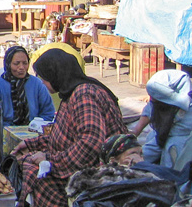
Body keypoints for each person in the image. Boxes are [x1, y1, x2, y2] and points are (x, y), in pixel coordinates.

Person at [12, 48, 128, 207]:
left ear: (55, 74)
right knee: (26, 161)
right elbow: (64, 136)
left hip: (101, 173)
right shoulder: (70, 94)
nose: (42, 83)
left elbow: (91, 142)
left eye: (44, 78)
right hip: (85, 165)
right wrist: (31, 144)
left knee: (37, 174)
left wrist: (51, 160)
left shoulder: (84, 95)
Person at [140, 70, 192, 167]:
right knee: (151, 136)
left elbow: (161, 138)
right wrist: (135, 131)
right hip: (163, 140)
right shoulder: (163, 105)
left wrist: (138, 159)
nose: (152, 101)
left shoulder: (186, 115)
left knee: (172, 146)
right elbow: (150, 108)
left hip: (183, 149)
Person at [0, 46, 55, 126]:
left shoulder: (37, 84)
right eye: (16, 63)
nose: (21, 67)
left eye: (25, 63)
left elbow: (48, 112)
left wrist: (36, 125)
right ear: (8, 64)